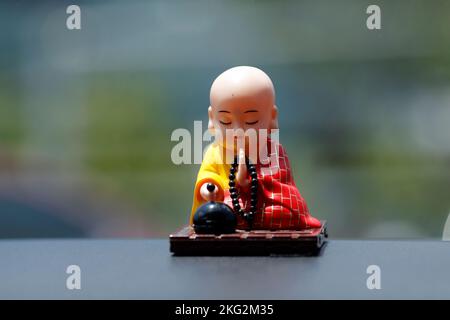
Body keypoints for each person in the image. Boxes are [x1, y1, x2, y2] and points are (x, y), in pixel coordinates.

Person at [190, 66, 321, 230]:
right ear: (212, 119)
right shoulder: (214, 152)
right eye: (225, 121)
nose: (238, 129)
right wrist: (209, 188)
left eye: (251, 121)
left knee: (285, 212)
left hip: (266, 205)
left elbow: (281, 183)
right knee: (219, 214)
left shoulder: (273, 150)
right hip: (228, 205)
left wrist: (250, 183)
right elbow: (208, 175)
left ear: (272, 118)